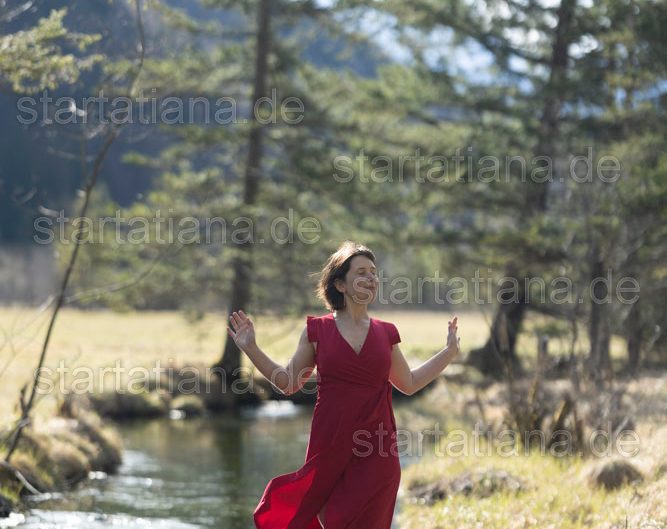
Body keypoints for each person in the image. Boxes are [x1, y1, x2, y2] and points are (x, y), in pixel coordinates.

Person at [227, 240, 461, 529]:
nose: (371, 278)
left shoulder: (386, 333)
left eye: (374, 273)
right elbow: (287, 383)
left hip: (377, 452)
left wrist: (449, 352)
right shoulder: (317, 331)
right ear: (340, 284)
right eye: (361, 272)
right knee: (335, 521)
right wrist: (250, 347)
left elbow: (409, 383)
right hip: (330, 450)